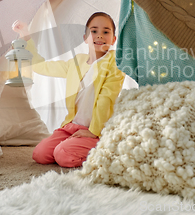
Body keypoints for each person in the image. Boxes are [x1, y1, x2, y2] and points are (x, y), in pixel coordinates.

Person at [12, 12, 125, 167]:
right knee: (40, 154)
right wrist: (26, 37)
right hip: (72, 126)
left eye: (106, 32)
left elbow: (106, 98)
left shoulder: (115, 62)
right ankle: (73, 143)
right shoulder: (77, 62)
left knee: (63, 155)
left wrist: (94, 131)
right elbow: (42, 66)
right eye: (94, 31)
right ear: (85, 38)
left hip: (97, 129)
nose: (99, 36)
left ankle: (105, 147)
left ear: (113, 40)